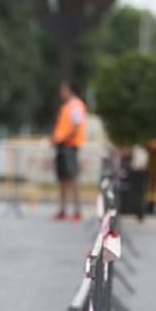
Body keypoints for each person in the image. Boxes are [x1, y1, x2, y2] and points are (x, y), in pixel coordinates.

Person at [52, 81, 88, 221]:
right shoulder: (67, 106)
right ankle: (63, 210)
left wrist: (65, 138)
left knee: (72, 178)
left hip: (69, 145)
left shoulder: (75, 105)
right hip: (63, 145)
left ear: (69, 90)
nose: (61, 92)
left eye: (63, 89)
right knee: (63, 179)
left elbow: (77, 126)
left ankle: (77, 210)